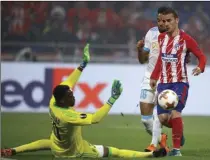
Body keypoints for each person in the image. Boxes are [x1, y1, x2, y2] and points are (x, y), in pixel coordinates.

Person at [1, 44, 167, 159]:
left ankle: (12, 151)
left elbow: (70, 81)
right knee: (113, 152)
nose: (73, 95)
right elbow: (95, 119)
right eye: (69, 96)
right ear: (63, 100)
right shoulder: (68, 116)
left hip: (58, 143)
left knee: (47, 142)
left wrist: (82, 65)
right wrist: (112, 99)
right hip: (74, 152)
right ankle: (150, 155)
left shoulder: (53, 102)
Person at [150, 7, 207, 156]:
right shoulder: (161, 38)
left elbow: (201, 56)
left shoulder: (185, 39)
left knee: (175, 113)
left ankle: (176, 150)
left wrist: (201, 67)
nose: (166, 23)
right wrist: (154, 77)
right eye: (163, 21)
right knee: (163, 118)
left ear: (176, 20)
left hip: (180, 83)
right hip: (163, 84)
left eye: (169, 20)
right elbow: (160, 61)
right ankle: (179, 131)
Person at [136, 7, 191, 152]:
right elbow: (143, 60)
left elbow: (187, 56)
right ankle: (166, 137)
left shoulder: (180, 35)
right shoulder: (151, 33)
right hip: (149, 78)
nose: (161, 23)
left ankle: (155, 145)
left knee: (158, 114)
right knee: (146, 120)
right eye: (159, 20)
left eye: (164, 20)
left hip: (167, 79)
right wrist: (139, 50)